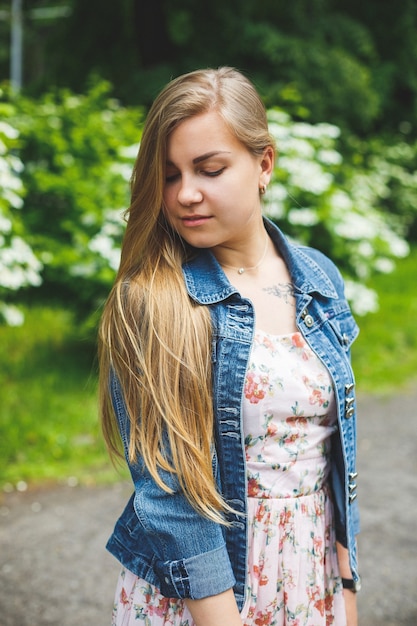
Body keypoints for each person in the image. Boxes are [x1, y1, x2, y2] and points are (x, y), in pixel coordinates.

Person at [98, 67, 361, 626]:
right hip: (207, 595)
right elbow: (170, 496)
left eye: (209, 169)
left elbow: (337, 461)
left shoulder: (318, 277)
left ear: (264, 163)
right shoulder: (153, 301)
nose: (185, 194)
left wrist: (345, 592)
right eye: (169, 176)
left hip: (311, 577)